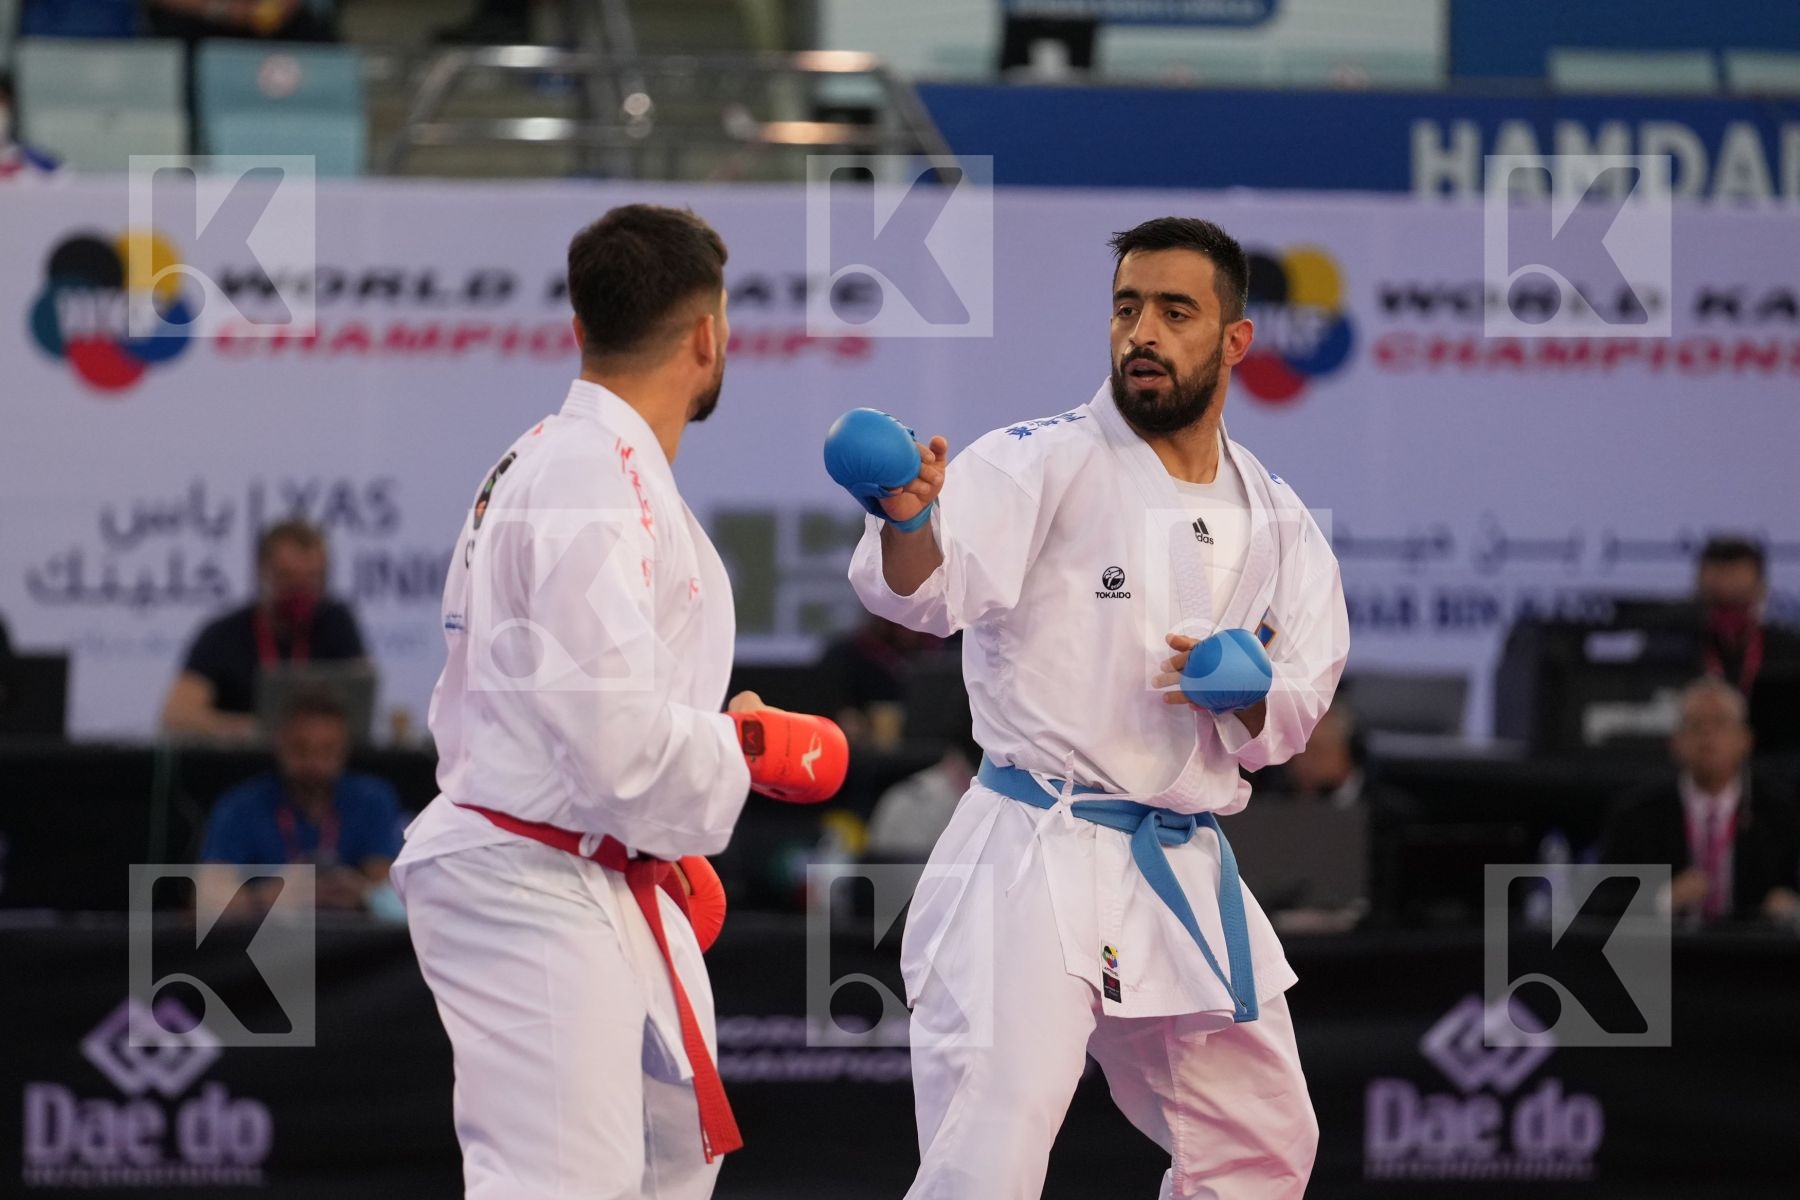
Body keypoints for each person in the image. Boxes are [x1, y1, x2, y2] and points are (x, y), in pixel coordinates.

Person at [839, 216, 1347, 1198]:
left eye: (1174, 311)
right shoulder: (1037, 460)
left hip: (1180, 864)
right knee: (985, 1162)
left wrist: (1251, 698)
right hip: (1036, 848)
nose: (1140, 332)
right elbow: (924, 590)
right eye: (1126, 308)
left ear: (1235, 341)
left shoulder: (1282, 523)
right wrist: (907, 518)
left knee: (1263, 1148)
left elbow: (1294, 718)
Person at [391, 205, 847, 1200]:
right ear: (708, 335)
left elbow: (606, 718)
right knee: (560, 1183)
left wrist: (673, 823)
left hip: (595, 867)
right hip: (529, 876)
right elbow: (610, 742)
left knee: (674, 1157)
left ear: (579, 328)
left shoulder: (597, 468)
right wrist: (746, 746)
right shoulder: (586, 480)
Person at [1602, 676, 1800, 925]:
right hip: (1667, 955)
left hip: (1755, 956)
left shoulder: (1781, 811)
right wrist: (1664, 900)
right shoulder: (1636, 813)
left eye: (1720, 724)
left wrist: (1792, 909)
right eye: (1695, 725)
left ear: (1745, 741)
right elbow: (1602, 907)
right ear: (1675, 742)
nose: (1707, 736)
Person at [198, 691, 402, 917]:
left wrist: (364, 894)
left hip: (351, 938)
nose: (314, 763)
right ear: (280, 745)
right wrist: (268, 898)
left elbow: (396, 894)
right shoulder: (240, 806)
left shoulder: (371, 800)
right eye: (301, 749)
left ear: (345, 750)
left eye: (327, 750)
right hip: (267, 939)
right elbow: (206, 900)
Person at [161, 520, 367, 739]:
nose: (300, 590)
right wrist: (256, 730)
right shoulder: (223, 634)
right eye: (287, 577)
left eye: (312, 579)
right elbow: (176, 716)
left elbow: (363, 705)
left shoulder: (337, 624)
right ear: (261, 572)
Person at [1694, 535, 1800, 699]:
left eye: (1738, 596)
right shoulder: (1672, 651)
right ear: (1698, 586)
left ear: (1761, 587)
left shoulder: (1790, 651)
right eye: (1718, 600)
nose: (1726, 585)